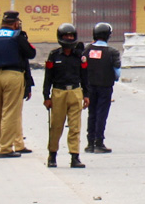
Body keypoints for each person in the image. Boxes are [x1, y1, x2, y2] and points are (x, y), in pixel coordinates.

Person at [0, 11, 36, 158]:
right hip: (12, 74)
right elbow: (30, 53)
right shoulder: (17, 36)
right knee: (10, 112)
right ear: (16, 23)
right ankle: (5, 148)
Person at [43, 24, 88, 168]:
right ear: (60, 37)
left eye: (71, 36)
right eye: (65, 36)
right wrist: (46, 97)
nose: (69, 38)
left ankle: (75, 156)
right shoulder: (54, 55)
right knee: (56, 126)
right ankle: (52, 155)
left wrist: (86, 95)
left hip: (75, 92)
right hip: (58, 93)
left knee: (75, 126)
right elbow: (48, 77)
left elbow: (85, 77)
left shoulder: (80, 56)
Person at [84, 22, 121, 154]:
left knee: (92, 113)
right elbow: (117, 73)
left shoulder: (86, 50)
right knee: (102, 114)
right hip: (105, 87)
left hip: (89, 87)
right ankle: (99, 142)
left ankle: (90, 143)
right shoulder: (112, 52)